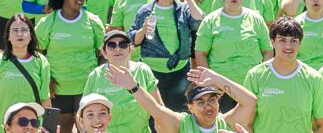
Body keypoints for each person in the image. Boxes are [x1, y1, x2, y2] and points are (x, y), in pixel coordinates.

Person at [35, 0, 104, 131]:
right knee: (63, 128)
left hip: (87, 87)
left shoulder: (93, 21)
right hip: (58, 89)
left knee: (87, 128)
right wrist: (47, 81)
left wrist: (96, 79)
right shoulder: (48, 22)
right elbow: (37, 54)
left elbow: (102, 53)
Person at [195, 0, 272, 111]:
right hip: (220, 90)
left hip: (250, 87)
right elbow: (200, 53)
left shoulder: (256, 19)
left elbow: (268, 50)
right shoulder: (210, 21)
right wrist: (212, 84)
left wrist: (261, 78)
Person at [128, 0, 204, 111]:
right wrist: (143, 30)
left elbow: (199, 22)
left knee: (179, 113)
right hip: (151, 71)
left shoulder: (184, 9)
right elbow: (133, 40)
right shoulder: (145, 11)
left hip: (180, 71)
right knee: (152, 112)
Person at [105, 64, 257, 132]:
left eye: (212, 100)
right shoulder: (181, 124)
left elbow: (250, 102)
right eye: (201, 102)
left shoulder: (227, 123)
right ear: (190, 107)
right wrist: (133, 86)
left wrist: (217, 78)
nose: (208, 106)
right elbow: (156, 110)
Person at [244, 16, 323, 133]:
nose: (288, 46)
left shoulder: (314, 79)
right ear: (272, 42)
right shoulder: (255, 76)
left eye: (293, 41)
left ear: (300, 43)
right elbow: (246, 123)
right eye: (282, 40)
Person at [83, 30, 162, 133]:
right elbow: (83, 113)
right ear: (104, 53)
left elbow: (160, 108)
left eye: (123, 44)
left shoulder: (142, 70)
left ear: (130, 50)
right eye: (111, 45)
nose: (118, 49)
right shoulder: (95, 75)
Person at [0, 14, 52, 132]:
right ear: (8, 36)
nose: (20, 34)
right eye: (15, 30)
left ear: (31, 35)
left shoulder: (41, 62)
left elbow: (45, 99)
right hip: (3, 126)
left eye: (24, 30)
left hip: (32, 127)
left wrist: (49, 128)